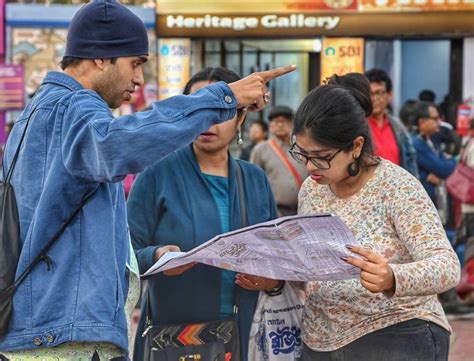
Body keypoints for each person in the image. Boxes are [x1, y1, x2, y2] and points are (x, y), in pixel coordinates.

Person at [0, 0, 295, 358]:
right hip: (65, 337)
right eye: (135, 63)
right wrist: (224, 97)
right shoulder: (74, 108)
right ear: (100, 57)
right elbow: (117, 144)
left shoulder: (38, 112)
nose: (139, 79)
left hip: (50, 330)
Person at [289, 73, 460, 360]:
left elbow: (447, 266)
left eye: (321, 156)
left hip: (395, 332)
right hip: (321, 339)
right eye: (302, 154)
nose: (309, 166)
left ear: (355, 147)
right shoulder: (311, 190)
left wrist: (392, 276)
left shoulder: (395, 186)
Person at [128, 67, 283, 361]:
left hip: (246, 338)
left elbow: (277, 256)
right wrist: (156, 257)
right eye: (200, 107)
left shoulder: (255, 179)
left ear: (241, 117)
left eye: (221, 109)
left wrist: (272, 280)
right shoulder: (157, 173)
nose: (208, 120)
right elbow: (123, 253)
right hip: (175, 340)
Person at [250, 106, 308, 216]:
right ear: (270, 126)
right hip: (275, 212)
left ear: (292, 125)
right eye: (277, 122)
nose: (281, 125)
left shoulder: (302, 147)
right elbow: (254, 183)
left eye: (285, 121)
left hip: (303, 210)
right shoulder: (261, 149)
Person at [365, 68, 418, 177]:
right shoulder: (358, 126)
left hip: (397, 189)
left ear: (389, 94)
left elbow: (409, 159)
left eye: (379, 92)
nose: (374, 98)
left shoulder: (398, 127)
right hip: (369, 190)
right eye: (370, 93)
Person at [411, 102, 456, 224]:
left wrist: (450, 161)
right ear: (422, 122)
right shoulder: (416, 143)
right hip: (425, 205)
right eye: (435, 118)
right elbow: (443, 169)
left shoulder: (432, 140)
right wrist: (451, 161)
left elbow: (446, 167)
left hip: (436, 201)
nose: (439, 122)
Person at [456, 118, 474, 303]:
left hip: (468, 206)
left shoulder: (469, 143)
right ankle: (469, 289)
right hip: (472, 207)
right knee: (472, 246)